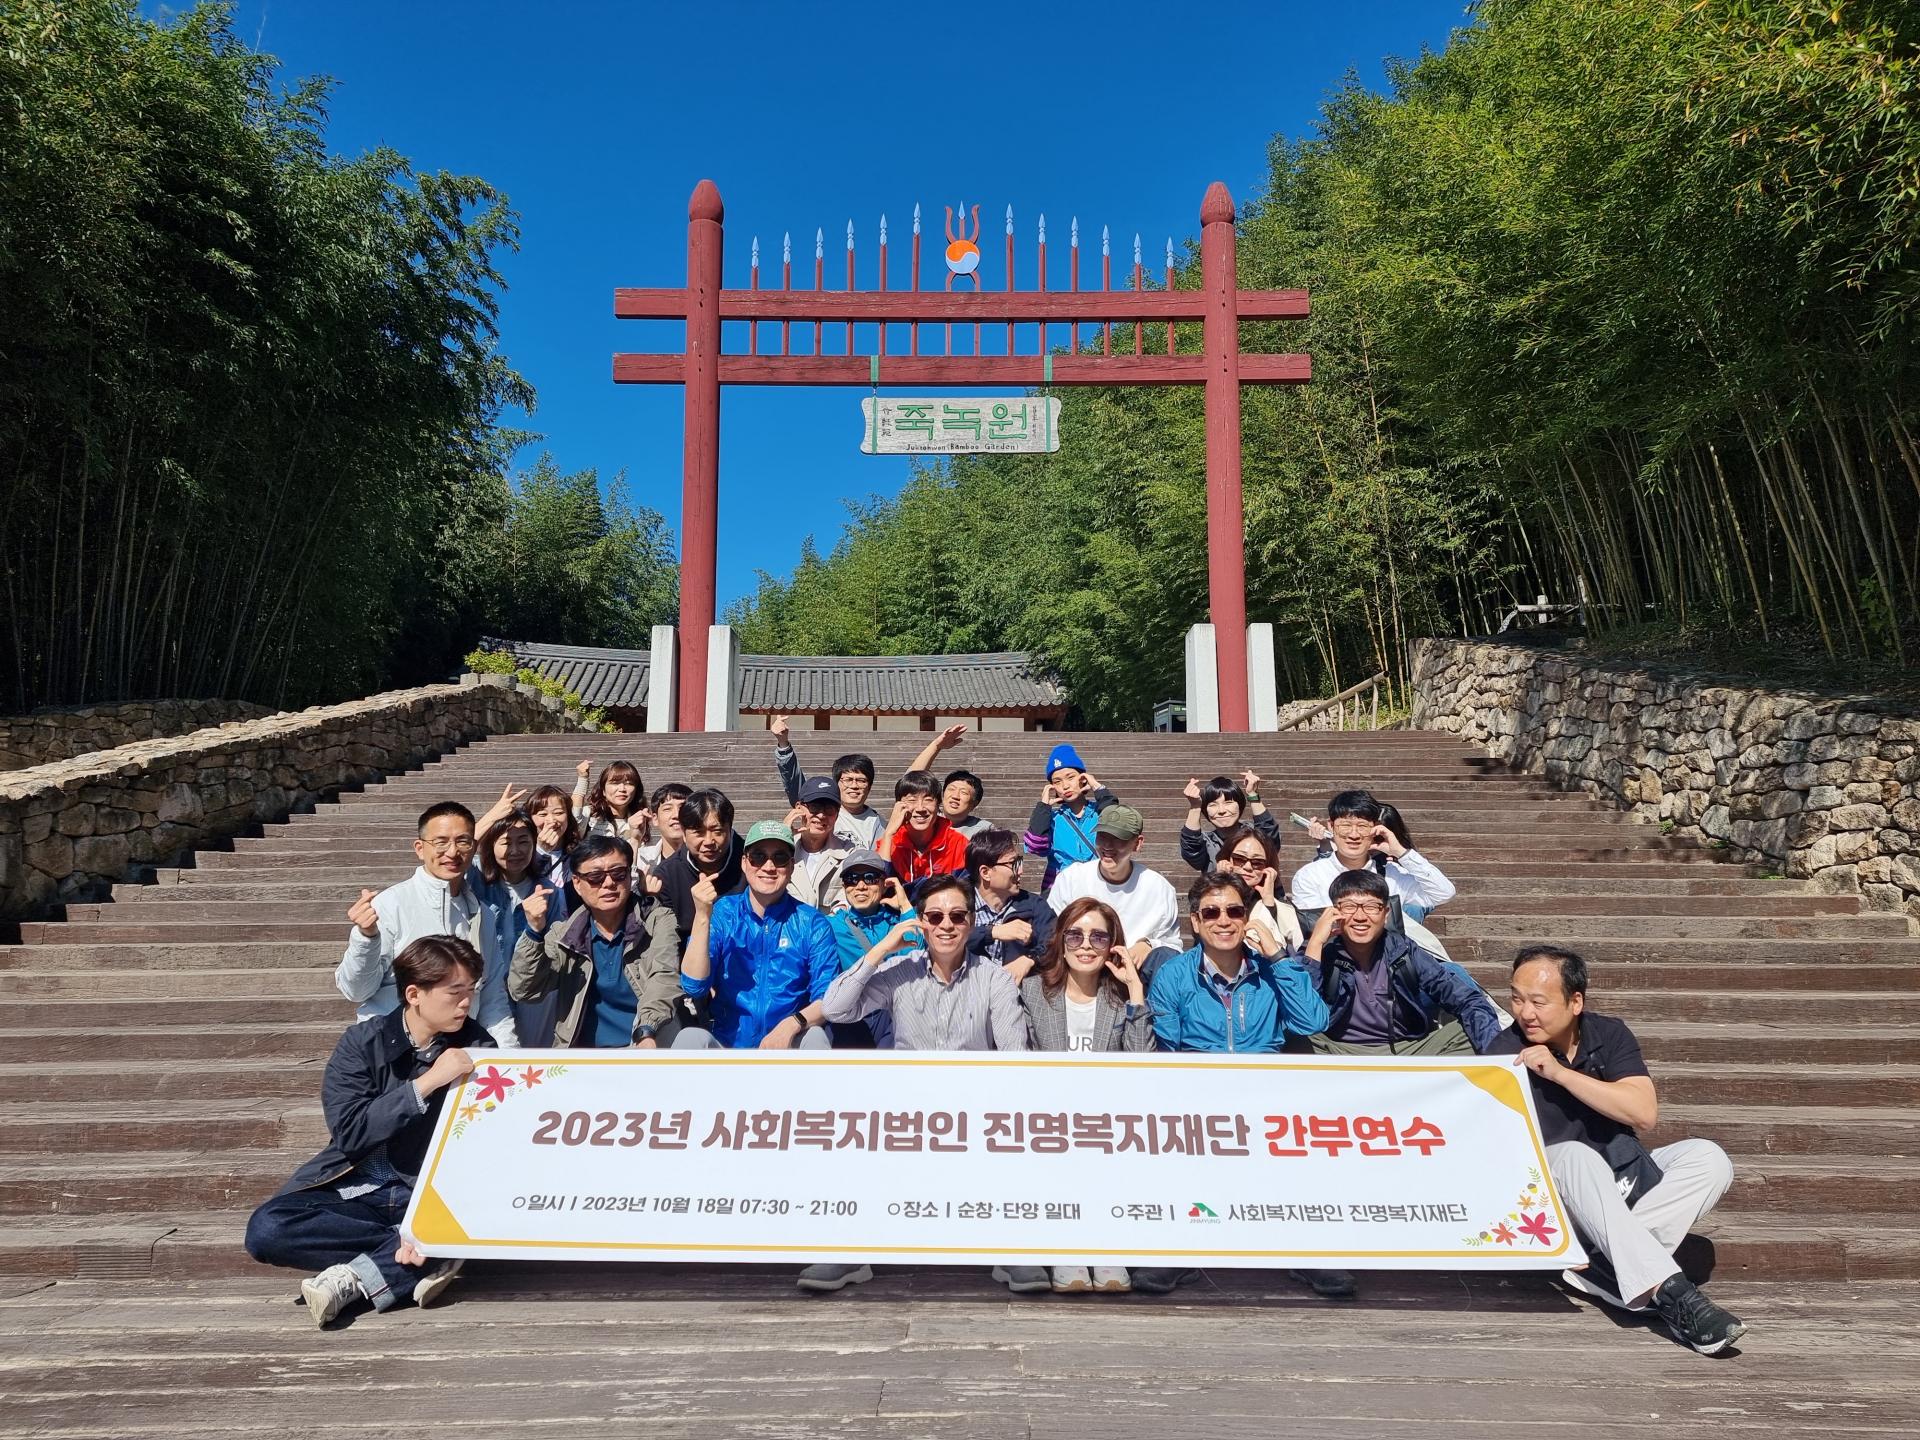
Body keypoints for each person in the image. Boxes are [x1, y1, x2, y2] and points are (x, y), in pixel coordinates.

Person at [1489, 946, 1746, 1355]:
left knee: (1708, 1157)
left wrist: (1560, 1074)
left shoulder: (1608, 1034)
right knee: (1575, 1156)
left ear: (1575, 1002)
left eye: (1538, 1001)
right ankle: (1676, 1296)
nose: (1525, 1013)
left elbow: (1643, 1114)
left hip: (1623, 1177)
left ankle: (1604, 1268)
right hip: (1556, 1197)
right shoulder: (1502, 1055)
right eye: (1517, 999)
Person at [245, 935, 491, 1326]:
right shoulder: (362, 1043)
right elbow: (351, 1131)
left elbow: (482, 1141)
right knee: (267, 1229)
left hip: (423, 1192)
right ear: (414, 994)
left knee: (478, 1215)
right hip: (355, 1188)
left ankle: (353, 1277)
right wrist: (427, 1083)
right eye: (454, 992)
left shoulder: (477, 1047)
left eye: (471, 990)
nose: (466, 1002)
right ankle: (422, 1249)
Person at [820, 873, 1040, 1296]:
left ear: (971, 921)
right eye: (935, 916)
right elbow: (835, 1008)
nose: (946, 925)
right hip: (907, 1107)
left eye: (957, 916)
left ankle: (1013, 1247)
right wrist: (882, 949)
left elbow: (1015, 1055)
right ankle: (849, 1249)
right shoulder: (899, 970)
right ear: (921, 921)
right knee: (858, 1130)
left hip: (974, 1108)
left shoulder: (993, 978)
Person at [1144, 870, 1334, 1298]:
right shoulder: (1174, 974)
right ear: (1196, 922)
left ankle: (1310, 1252)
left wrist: (1280, 958)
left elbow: (1313, 1021)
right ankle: (1177, 1251)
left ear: (1247, 917)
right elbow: (1166, 1049)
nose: (1224, 921)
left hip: (1266, 1092)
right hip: (1198, 1094)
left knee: (1301, 1139)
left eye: (1233, 911)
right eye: (1211, 913)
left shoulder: (1271, 970)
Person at [1019, 896, 1153, 1293]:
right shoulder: (1034, 991)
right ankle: (1067, 1246)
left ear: (1113, 944)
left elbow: (1143, 1065)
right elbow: (1022, 1061)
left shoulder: (1121, 997)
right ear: (1061, 941)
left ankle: (1106, 1244)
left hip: (1107, 1121)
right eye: (1075, 936)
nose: (1086, 946)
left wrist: (1135, 991)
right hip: (1050, 1118)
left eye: (1099, 937)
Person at [337, 801, 517, 1045]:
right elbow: (356, 990)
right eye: (440, 842)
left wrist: (506, 1054)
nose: (452, 852)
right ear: (420, 849)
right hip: (392, 1049)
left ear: (474, 847)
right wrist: (365, 937)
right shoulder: (391, 904)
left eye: (462, 841)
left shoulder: (482, 914)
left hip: (456, 1048)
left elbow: (491, 995)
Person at [675, 819, 838, 1051]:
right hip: (728, 1045)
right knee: (690, 1037)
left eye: (779, 858)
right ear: (744, 862)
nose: (769, 867)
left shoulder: (812, 923)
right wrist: (702, 915)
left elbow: (828, 998)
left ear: (792, 866)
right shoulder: (723, 913)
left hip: (790, 1044)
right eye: (758, 857)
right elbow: (694, 985)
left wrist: (792, 1025)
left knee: (816, 1036)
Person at [1299, 869, 1500, 1055]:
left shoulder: (1402, 950)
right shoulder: (1317, 951)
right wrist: (1315, 943)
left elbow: (1465, 998)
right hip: (1336, 1050)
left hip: (1404, 1050)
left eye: (1371, 907)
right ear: (1334, 912)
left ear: (1386, 914)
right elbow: (1301, 1012)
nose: (1360, 917)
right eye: (1349, 907)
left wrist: (1496, 1056)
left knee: (1466, 1033)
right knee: (1294, 1035)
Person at [509, 835, 682, 1048]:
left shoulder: (657, 921)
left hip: (647, 1043)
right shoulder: (564, 935)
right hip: (583, 1054)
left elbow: (664, 977)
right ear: (577, 883)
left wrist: (646, 1030)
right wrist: (534, 931)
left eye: (618, 874)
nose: (608, 883)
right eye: (595, 877)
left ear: (630, 876)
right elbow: (524, 990)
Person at [1045, 805, 1183, 983]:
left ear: (1138, 843)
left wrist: (1148, 944)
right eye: (1102, 836)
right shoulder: (1071, 878)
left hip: (1135, 974)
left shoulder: (1159, 888)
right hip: (1082, 966)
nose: (1107, 846)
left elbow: (1172, 945)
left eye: (1118, 839)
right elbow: (1051, 929)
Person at [1290, 789, 1455, 921]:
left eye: (1362, 826)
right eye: (1345, 825)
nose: (1354, 835)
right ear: (1331, 826)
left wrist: (1401, 852)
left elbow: (1444, 893)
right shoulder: (1310, 875)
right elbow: (1313, 927)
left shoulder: (1393, 875)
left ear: (1375, 828)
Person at [473, 808, 553, 1045]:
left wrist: (537, 927)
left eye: (524, 841)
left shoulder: (548, 890)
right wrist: (491, 816)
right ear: (490, 845)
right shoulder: (475, 881)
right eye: (506, 842)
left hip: (531, 992)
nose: (515, 850)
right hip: (485, 988)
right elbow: (458, 854)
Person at [825, 849, 917, 1048]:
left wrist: (905, 906)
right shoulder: (830, 926)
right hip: (852, 1016)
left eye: (870, 878)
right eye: (851, 879)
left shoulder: (898, 922)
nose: (860, 886)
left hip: (893, 1016)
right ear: (844, 887)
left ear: (884, 884)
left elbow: (913, 958)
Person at [769, 716, 883, 848]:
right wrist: (783, 743)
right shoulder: (817, 809)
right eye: (848, 779)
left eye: (861, 780)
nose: (854, 786)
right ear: (836, 784)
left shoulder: (880, 824)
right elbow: (793, 780)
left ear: (869, 786)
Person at [654, 788, 745, 948]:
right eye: (698, 832)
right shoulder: (667, 875)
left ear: (730, 830)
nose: (709, 841)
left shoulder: (752, 864)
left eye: (717, 831)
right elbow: (668, 942)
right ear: (684, 833)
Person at [1024, 742, 1119, 891]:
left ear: (1083, 778)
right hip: (1062, 890)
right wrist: (1043, 808)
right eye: (1057, 781)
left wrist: (1099, 789)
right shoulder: (1052, 819)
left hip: (1100, 886)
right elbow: (1035, 846)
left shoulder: (1100, 812)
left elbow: (1118, 826)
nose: (1065, 786)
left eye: (1070, 777)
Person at [967, 827, 1053, 979]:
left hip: (1018, 990)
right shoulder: (957, 903)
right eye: (1013, 863)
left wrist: (1030, 959)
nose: (1020, 871)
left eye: (1019, 862)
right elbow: (945, 938)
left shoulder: (1034, 905)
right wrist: (991, 932)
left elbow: (1055, 942)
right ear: (985, 873)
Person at [1214, 824, 1305, 956]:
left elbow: (1300, 948)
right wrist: (1221, 883)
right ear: (1227, 859)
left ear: (1267, 867)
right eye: (1239, 859)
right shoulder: (1206, 900)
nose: (1248, 867)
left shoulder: (1282, 909)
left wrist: (1268, 902)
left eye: (1257, 862)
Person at [881, 769, 970, 889]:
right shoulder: (889, 842)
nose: (920, 808)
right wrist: (888, 833)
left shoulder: (959, 844)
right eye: (912, 800)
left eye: (928, 800)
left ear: (938, 804)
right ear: (898, 806)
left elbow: (966, 889)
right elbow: (878, 886)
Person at [1178, 771, 1282, 871]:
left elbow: (1270, 839)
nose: (1221, 811)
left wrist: (1252, 794)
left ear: (1240, 806)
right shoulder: (1207, 843)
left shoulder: (1254, 834)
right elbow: (1192, 851)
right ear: (1205, 811)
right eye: (1213, 805)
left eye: (1228, 803)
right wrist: (1195, 806)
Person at [907, 722, 993, 838]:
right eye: (951, 789)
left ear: (974, 804)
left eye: (964, 792)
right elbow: (910, 781)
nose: (955, 796)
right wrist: (936, 746)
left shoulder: (985, 831)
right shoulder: (924, 819)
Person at [786, 776, 854, 913]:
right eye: (814, 807)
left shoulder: (850, 854)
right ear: (799, 808)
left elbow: (852, 892)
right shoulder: (779, 851)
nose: (822, 815)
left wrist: (838, 912)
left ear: (837, 814)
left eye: (829, 809)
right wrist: (782, 838)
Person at [572, 758, 651, 849]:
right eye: (615, 783)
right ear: (603, 790)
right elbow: (574, 817)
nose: (622, 789)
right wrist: (582, 779)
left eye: (629, 783)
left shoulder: (639, 820)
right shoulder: (590, 815)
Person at [526, 784, 580, 910]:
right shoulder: (522, 853)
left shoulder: (580, 854)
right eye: (542, 814)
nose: (551, 820)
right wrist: (541, 851)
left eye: (559, 813)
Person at [633, 781, 692, 882]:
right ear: (655, 819)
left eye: (682, 807)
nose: (676, 815)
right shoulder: (642, 859)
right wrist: (635, 840)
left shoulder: (706, 856)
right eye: (667, 809)